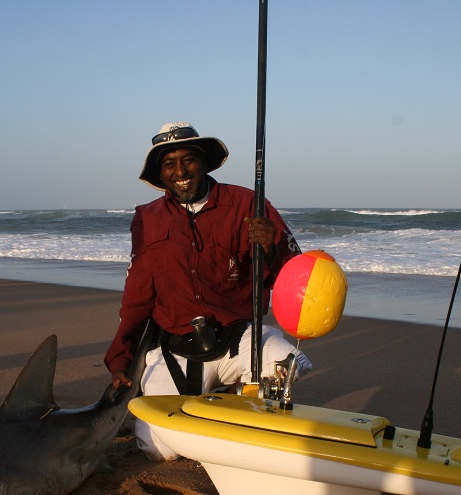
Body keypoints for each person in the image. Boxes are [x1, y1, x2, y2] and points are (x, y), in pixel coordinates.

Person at [104, 122, 312, 461]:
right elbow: (137, 296)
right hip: (177, 345)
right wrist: (121, 359)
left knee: (287, 365)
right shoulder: (147, 218)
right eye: (169, 164)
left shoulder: (249, 203)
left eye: (188, 160)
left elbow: (295, 275)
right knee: (160, 451)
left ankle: (234, 398)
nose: (180, 171)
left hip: (238, 338)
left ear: (203, 163)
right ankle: (203, 403)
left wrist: (271, 249)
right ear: (161, 172)